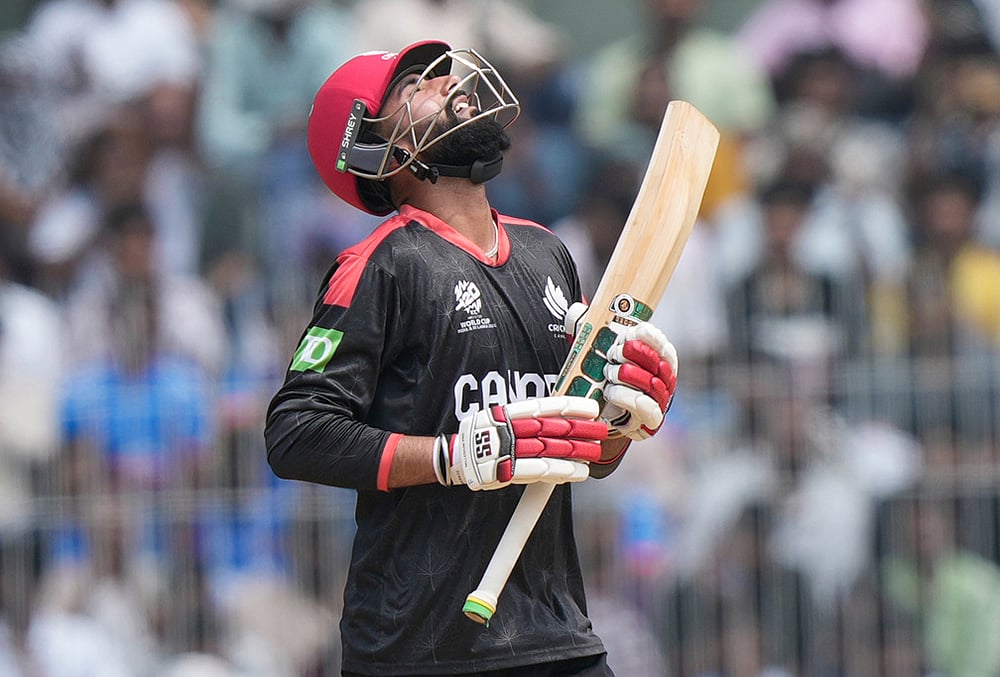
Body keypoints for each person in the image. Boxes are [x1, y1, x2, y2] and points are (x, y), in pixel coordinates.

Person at [264, 40, 679, 675]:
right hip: (420, 646)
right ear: (382, 153)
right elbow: (294, 432)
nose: (449, 85)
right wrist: (451, 456)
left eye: (442, 73)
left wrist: (624, 422)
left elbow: (581, 456)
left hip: (553, 629)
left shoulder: (549, 255)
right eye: (415, 88)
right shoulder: (380, 266)